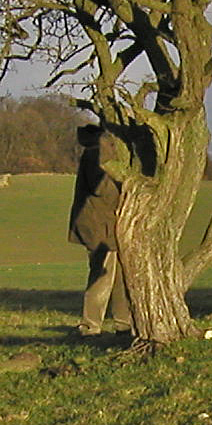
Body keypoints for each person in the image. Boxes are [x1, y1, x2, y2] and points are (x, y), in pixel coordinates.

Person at [69, 125, 126, 333]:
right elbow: (100, 188)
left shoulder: (97, 150)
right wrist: (126, 184)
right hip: (100, 224)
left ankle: (124, 323)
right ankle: (90, 325)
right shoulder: (97, 154)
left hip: (106, 223)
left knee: (120, 275)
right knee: (103, 274)